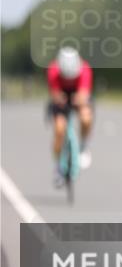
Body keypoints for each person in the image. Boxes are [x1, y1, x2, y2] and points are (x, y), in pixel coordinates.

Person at [46, 46, 94, 184]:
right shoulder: (53, 70)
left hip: (77, 95)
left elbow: (84, 95)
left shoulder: (85, 69)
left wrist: (77, 99)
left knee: (86, 117)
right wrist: (59, 99)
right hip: (60, 98)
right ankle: (57, 166)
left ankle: (83, 146)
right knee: (59, 129)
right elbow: (55, 95)